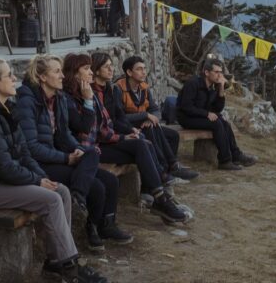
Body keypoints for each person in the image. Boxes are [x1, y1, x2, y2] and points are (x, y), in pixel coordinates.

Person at [0, 59, 108, 283]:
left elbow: (25, 153)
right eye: (9, 75)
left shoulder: (6, 110)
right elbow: (2, 167)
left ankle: (56, 259)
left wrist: (42, 177)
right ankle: (70, 268)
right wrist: (37, 182)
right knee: (51, 200)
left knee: (62, 191)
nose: (14, 79)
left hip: (1, 180)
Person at [15, 54, 133, 250]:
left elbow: (65, 134)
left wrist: (78, 149)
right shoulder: (27, 101)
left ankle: (100, 221)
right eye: (56, 71)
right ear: (42, 77)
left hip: (58, 156)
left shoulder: (58, 98)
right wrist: (66, 157)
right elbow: (31, 147)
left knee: (103, 169)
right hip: (39, 164)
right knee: (97, 186)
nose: (62, 76)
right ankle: (89, 224)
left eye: (61, 71)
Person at [62, 53, 188, 224]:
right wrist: (89, 102)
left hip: (102, 142)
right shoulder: (76, 97)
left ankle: (158, 194)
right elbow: (88, 128)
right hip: (90, 149)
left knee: (143, 143)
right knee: (142, 144)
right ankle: (160, 194)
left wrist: (127, 134)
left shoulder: (106, 90)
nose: (91, 72)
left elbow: (111, 122)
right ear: (74, 73)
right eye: (87, 69)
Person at [112, 55, 199, 181]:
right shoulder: (118, 89)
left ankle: (171, 167)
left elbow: (155, 109)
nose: (144, 72)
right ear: (129, 72)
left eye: (144, 68)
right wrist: (146, 115)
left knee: (172, 135)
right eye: (139, 69)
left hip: (144, 125)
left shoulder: (144, 87)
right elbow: (120, 117)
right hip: (127, 128)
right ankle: (164, 169)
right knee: (151, 130)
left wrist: (150, 118)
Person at [177, 58, 257, 171]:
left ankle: (236, 156)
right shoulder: (193, 83)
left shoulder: (213, 87)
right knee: (217, 124)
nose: (219, 75)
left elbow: (217, 109)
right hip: (186, 118)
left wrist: (221, 89)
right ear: (206, 72)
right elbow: (186, 107)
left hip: (200, 116)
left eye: (221, 72)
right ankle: (224, 161)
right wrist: (206, 114)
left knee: (225, 123)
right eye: (217, 72)